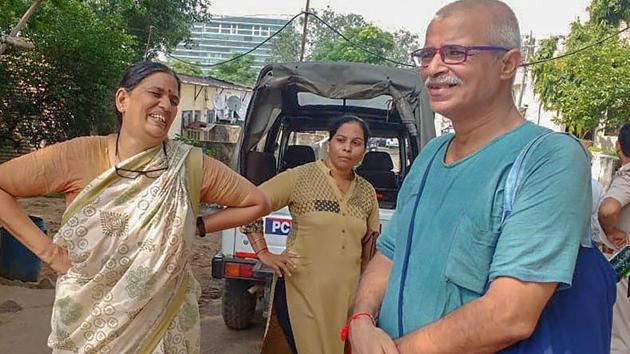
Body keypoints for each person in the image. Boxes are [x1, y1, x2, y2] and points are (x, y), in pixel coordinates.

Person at [348, 1, 615, 353]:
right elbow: (390, 254)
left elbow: (510, 314)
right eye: (427, 55)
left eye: (455, 53)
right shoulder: (430, 155)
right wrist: (362, 320)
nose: (434, 68)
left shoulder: (549, 158)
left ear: (507, 64)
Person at [0, 61, 270, 353]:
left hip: (162, 320)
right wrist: (49, 252)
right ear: (122, 100)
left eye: (174, 100)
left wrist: (200, 225)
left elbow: (257, 202)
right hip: (87, 320)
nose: (165, 105)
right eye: (155, 93)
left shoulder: (190, 166)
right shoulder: (78, 155)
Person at [241, 115, 380, 354]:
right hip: (301, 291)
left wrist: (365, 295)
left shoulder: (366, 192)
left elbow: (369, 247)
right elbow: (248, 204)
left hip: (345, 296)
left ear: (365, 150)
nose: (347, 148)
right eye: (341, 140)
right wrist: (264, 253)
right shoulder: (300, 177)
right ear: (329, 144)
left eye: (356, 143)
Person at [599, 123, 630, 354]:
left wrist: (610, 231)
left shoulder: (627, 175)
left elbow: (607, 210)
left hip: (623, 265)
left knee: (618, 337)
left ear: (618, 146)